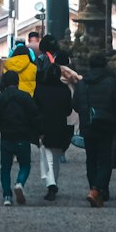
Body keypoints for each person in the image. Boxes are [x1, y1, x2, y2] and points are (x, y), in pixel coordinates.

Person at [74, 52, 116, 208]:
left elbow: (75, 105)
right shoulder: (111, 83)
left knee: (91, 159)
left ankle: (95, 188)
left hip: (88, 125)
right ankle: (97, 189)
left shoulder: (82, 83)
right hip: (107, 126)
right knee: (105, 160)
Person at [0, 68, 41, 205]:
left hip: (6, 136)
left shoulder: (0, 99)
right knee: (25, 164)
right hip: (23, 135)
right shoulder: (25, 97)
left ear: (4, 83)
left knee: (5, 167)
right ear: (18, 82)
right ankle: (20, 182)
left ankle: (7, 195)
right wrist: (37, 132)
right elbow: (35, 115)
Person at [34, 57, 74, 200]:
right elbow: (69, 110)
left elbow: (35, 108)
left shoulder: (40, 89)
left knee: (46, 157)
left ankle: (51, 184)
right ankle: (53, 183)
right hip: (60, 126)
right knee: (55, 157)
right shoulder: (64, 90)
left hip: (44, 126)